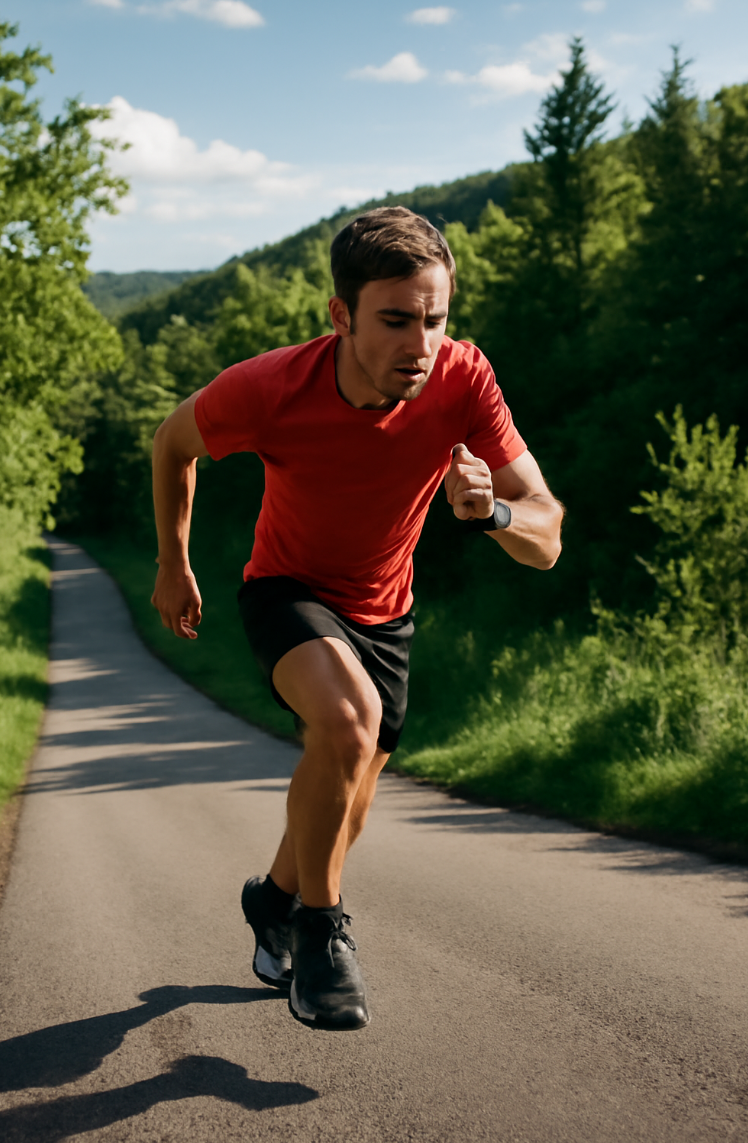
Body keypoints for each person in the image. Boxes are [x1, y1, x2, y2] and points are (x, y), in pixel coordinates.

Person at [151, 206, 563, 1032]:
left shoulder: (463, 378)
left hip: (385, 612)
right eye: (397, 320)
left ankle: (272, 898)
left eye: (437, 319)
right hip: (286, 588)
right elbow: (172, 443)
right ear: (341, 316)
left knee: (348, 800)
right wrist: (172, 561)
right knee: (347, 721)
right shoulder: (270, 387)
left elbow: (547, 532)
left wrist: (494, 518)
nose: (421, 343)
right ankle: (320, 934)